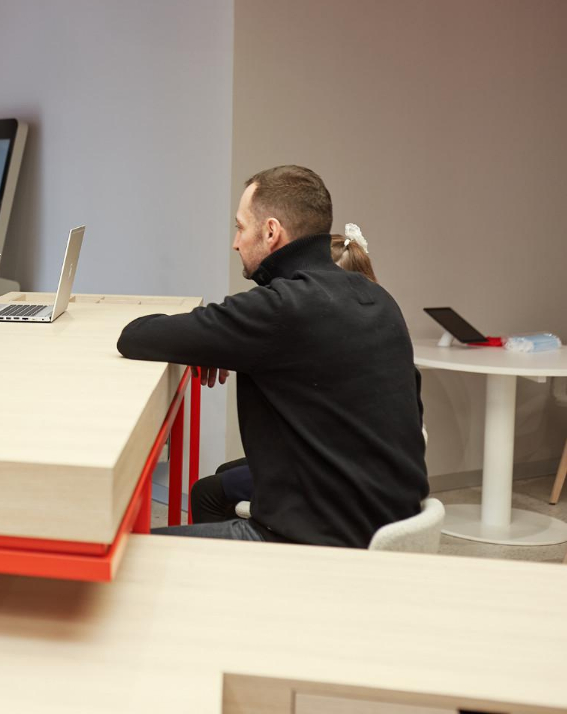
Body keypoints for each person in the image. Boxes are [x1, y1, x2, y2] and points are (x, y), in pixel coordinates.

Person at [116, 165, 428, 546]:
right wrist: (219, 345)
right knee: (211, 492)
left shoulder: (281, 307)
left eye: (240, 228)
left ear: (270, 232)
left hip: (322, 541)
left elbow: (135, 336)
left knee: (133, 554)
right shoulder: (378, 299)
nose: (235, 243)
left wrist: (214, 343)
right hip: (392, 519)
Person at [189, 222, 382, 524]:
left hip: (327, 474)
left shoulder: (316, 327)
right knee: (226, 473)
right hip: (349, 460)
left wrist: (225, 348)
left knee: (206, 492)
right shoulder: (374, 324)